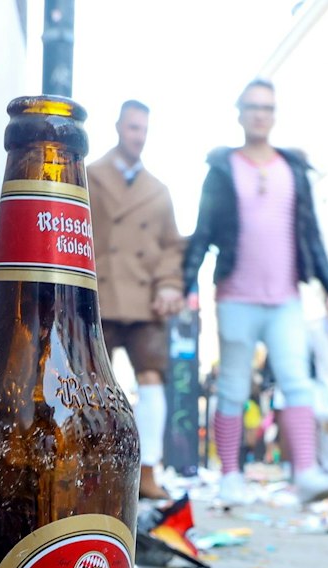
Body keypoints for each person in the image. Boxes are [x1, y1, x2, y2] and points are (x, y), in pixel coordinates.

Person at [183, 78, 328, 505]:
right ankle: (231, 476)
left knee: (298, 380)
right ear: (239, 113)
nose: (260, 114)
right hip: (236, 294)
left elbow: (310, 232)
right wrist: (187, 286)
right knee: (234, 385)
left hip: (287, 299)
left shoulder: (292, 169)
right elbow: (202, 232)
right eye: (253, 106)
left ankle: (306, 472)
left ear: (275, 115)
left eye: (267, 107)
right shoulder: (222, 168)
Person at [88, 100, 187, 500]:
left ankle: (147, 471)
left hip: (145, 298)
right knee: (89, 384)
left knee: (152, 380)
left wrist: (169, 285)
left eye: (144, 129)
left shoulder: (158, 191)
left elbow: (171, 247)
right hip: (100, 293)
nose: (139, 137)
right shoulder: (89, 175)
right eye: (133, 128)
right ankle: (93, 469)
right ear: (118, 127)